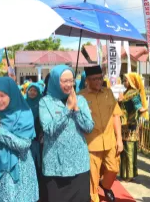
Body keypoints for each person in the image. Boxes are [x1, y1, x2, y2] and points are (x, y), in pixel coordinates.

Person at [0, 77, 39, 202]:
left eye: (2, 95)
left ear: (11, 95)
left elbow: (23, 145)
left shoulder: (24, 113)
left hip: (20, 176)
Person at [39, 65, 94, 202]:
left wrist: (76, 109)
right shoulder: (45, 102)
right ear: (55, 81)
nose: (69, 84)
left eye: (71, 80)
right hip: (55, 166)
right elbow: (49, 129)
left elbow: (89, 127)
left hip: (79, 164)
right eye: (64, 81)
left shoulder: (80, 100)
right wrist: (67, 108)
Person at [79, 66, 123, 202]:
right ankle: (94, 198)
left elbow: (116, 116)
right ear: (87, 80)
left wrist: (119, 139)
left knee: (113, 169)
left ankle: (105, 186)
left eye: (100, 78)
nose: (98, 81)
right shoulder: (80, 96)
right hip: (91, 143)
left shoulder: (108, 93)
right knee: (93, 176)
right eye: (94, 79)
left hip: (110, 140)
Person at [119, 73, 148, 182]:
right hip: (125, 126)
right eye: (124, 80)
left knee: (129, 150)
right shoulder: (126, 92)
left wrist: (142, 109)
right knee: (126, 150)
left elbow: (137, 106)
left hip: (130, 127)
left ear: (131, 82)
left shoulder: (134, 93)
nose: (124, 82)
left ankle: (129, 175)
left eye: (126, 80)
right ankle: (126, 174)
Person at [25, 83, 47, 201]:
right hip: (26, 143)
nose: (32, 92)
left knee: (38, 168)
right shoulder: (23, 105)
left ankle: (39, 194)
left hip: (38, 143)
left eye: (35, 90)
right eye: (30, 90)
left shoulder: (41, 105)